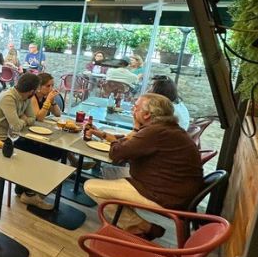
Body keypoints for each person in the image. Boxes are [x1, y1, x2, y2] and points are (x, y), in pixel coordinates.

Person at [84, 93, 204, 238]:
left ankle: (142, 227)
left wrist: (130, 131)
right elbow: (129, 143)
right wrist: (102, 134)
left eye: (136, 107)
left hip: (164, 196)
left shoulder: (155, 132)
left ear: (147, 115)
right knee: (110, 172)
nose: (133, 110)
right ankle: (127, 218)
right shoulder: (166, 128)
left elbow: (117, 154)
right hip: (171, 189)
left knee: (90, 186)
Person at [0, 73, 53, 210]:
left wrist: (22, 118)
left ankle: (25, 189)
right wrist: (23, 119)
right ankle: (28, 192)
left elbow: (32, 118)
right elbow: (15, 126)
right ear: (32, 90)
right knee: (31, 152)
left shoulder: (26, 97)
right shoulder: (8, 97)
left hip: (13, 135)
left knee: (39, 149)